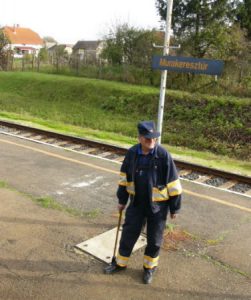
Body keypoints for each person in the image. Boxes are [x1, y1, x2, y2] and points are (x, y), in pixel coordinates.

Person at [104, 121, 182, 284]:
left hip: (158, 208)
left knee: (154, 240)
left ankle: (149, 268)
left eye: (154, 138)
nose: (151, 141)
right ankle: (120, 263)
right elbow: (124, 178)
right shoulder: (132, 153)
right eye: (147, 139)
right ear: (139, 138)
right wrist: (122, 200)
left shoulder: (163, 155)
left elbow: (174, 184)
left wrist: (175, 208)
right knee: (128, 235)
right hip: (137, 204)